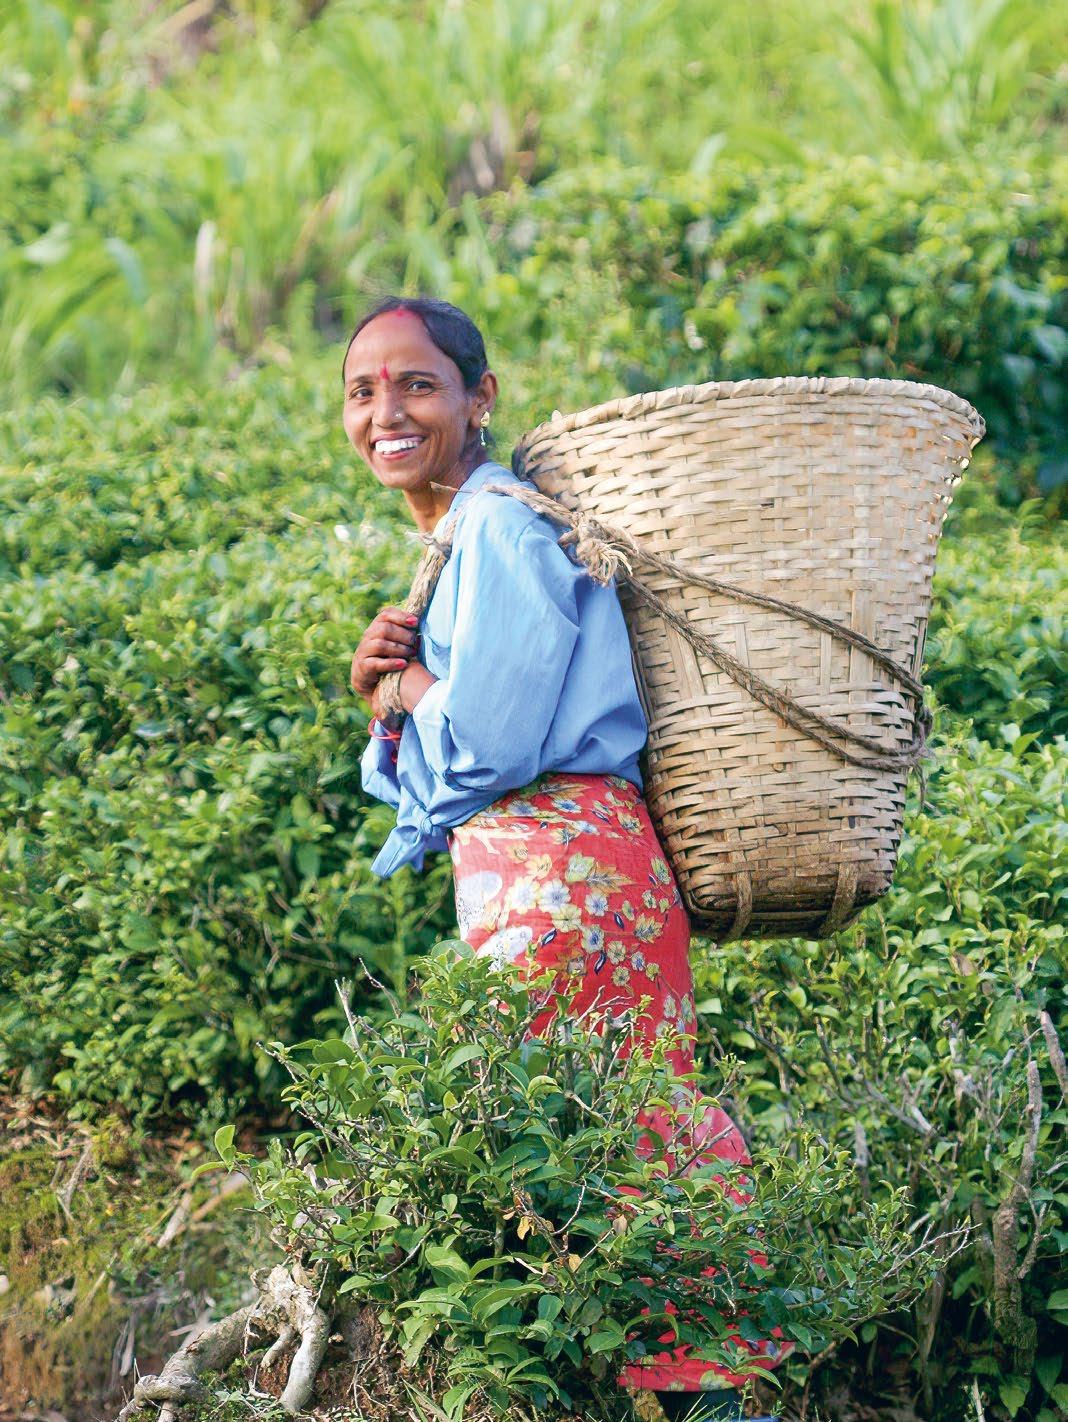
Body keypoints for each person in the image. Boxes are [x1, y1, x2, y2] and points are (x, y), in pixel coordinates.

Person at [346, 295, 787, 1421]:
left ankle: (704, 1398)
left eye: (417, 384)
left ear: (480, 398)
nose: (386, 411)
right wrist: (387, 699)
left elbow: (487, 743)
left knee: (592, 1159)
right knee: (618, 1148)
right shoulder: (464, 539)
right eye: (362, 390)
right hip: (562, 873)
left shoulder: (500, 527)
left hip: (567, 878)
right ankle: (697, 1393)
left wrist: (403, 692)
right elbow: (433, 763)